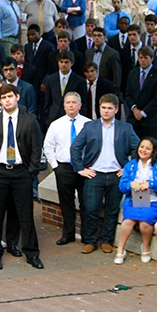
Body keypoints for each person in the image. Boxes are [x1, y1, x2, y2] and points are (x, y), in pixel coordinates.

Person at [0, 84, 44, 270]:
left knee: (25, 215)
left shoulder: (29, 120)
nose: (7, 100)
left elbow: (36, 147)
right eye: (3, 97)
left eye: (10, 96)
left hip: (21, 172)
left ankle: (31, 253)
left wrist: (31, 171)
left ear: (17, 97)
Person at [71, 93, 139, 255]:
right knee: (91, 209)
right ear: (99, 108)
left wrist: (128, 168)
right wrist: (80, 168)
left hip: (116, 175)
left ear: (116, 110)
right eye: (103, 108)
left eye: (109, 108)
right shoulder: (90, 127)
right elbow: (75, 147)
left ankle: (107, 241)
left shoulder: (126, 128)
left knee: (112, 210)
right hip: (94, 174)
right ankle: (91, 241)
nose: (106, 111)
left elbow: (138, 148)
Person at [43, 92, 91, 246]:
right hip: (63, 168)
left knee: (86, 203)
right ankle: (68, 234)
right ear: (64, 105)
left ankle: (86, 235)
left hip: (84, 169)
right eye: (68, 102)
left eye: (74, 102)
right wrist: (55, 166)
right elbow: (48, 147)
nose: (71, 105)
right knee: (66, 203)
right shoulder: (56, 125)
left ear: (80, 105)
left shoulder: (89, 124)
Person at [114, 137, 157, 265]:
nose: (143, 150)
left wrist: (150, 184)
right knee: (127, 221)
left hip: (155, 199)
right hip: (135, 199)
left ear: (153, 151)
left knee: (145, 221)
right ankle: (120, 250)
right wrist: (130, 185)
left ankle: (145, 247)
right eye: (142, 147)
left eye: (148, 148)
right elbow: (122, 186)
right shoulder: (131, 165)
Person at [124, 46, 157, 141]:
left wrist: (143, 113)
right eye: (141, 57)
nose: (143, 60)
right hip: (134, 119)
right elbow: (128, 94)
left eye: (146, 58)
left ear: (152, 59)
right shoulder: (132, 73)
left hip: (150, 120)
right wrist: (134, 109)